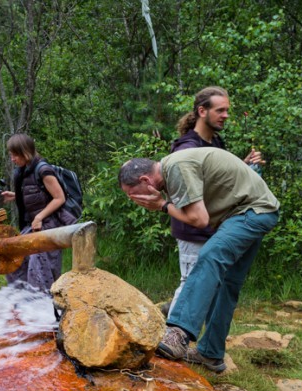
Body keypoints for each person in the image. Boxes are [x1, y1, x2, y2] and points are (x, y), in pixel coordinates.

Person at [119, 147, 279, 372]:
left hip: (249, 212)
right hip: (257, 211)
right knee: (226, 284)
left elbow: (199, 219)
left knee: (210, 256)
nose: (134, 199)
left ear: (146, 180)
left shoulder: (175, 167)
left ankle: (178, 333)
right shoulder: (173, 167)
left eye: (133, 193)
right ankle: (210, 354)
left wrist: (162, 206)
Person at [165, 86, 264, 315]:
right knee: (191, 285)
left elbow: (214, 180)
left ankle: (181, 334)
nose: (226, 116)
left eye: (227, 110)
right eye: (220, 110)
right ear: (202, 111)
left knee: (208, 286)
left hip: (212, 226)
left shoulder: (215, 142)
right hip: (192, 229)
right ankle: (170, 338)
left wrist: (243, 165)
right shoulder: (187, 148)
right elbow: (190, 191)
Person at [1, 134, 77, 292]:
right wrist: (15, 196)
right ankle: (21, 303)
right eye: (11, 155)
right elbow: (39, 194)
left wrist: (39, 216)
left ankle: (46, 310)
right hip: (34, 224)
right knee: (15, 259)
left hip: (49, 224)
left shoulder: (43, 170)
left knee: (39, 271)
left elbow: (59, 198)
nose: (13, 159)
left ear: (25, 152)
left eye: (15, 155)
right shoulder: (25, 171)